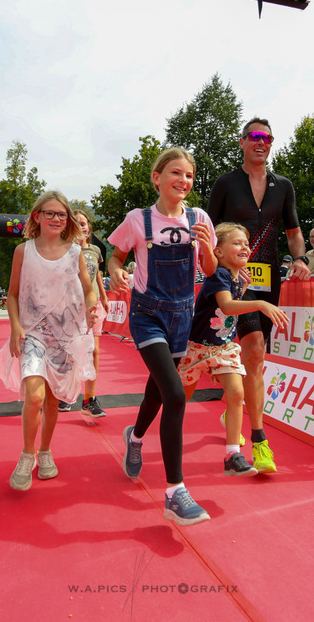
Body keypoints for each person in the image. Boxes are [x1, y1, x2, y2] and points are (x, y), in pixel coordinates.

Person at [108, 147, 216, 526]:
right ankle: (175, 492)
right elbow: (116, 256)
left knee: (158, 386)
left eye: (188, 175)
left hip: (182, 316)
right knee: (173, 392)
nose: (183, 181)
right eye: (175, 173)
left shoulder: (199, 217)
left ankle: (135, 437)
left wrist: (207, 246)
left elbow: (210, 267)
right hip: (147, 315)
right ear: (157, 177)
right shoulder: (138, 220)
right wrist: (116, 272)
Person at [207, 118, 311, 473]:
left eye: (266, 137)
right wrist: (214, 270)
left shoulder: (283, 186)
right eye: (254, 136)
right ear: (242, 143)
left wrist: (300, 257)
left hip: (267, 279)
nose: (260, 142)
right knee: (237, 352)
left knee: (256, 354)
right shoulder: (226, 184)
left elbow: (295, 231)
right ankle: (259, 440)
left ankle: (248, 424)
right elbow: (208, 233)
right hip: (231, 278)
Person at [0, 191, 97, 491]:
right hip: (33, 333)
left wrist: (91, 308)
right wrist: (14, 326)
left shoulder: (75, 253)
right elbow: (12, 294)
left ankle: (45, 451)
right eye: (50, 213)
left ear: (67, 221)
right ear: (36, 216)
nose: (56, 219)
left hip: (65, 335)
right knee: (35, 397)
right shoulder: (22, 252)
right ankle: (27, 455)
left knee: (53, 402)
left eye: (61, 214)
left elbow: (88, 289)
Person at [177, 223, 289, 477]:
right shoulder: (219, 274)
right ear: (218, 252)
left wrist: (245, 289)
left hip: (224, 348)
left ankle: (232, 454)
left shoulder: (238, 276)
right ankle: (150, 432)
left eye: (246, 244)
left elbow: (232, 302)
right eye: (237, 243)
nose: (245, 248)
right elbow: (227, 307)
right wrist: (259, 303)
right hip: (196, 348)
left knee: (237, 393)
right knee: (179, 397)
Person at [71, 209, 109, 418]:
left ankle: (89, 399)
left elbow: (97, 274)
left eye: (83, 223)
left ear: (89, 227)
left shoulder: (95, 250)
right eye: (76, 223)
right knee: (71, 353)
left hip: (94, 306)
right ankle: (63, 394)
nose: (81, 227)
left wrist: (103, 295)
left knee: (94, 352)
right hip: (72, 308)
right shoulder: (65, 250)